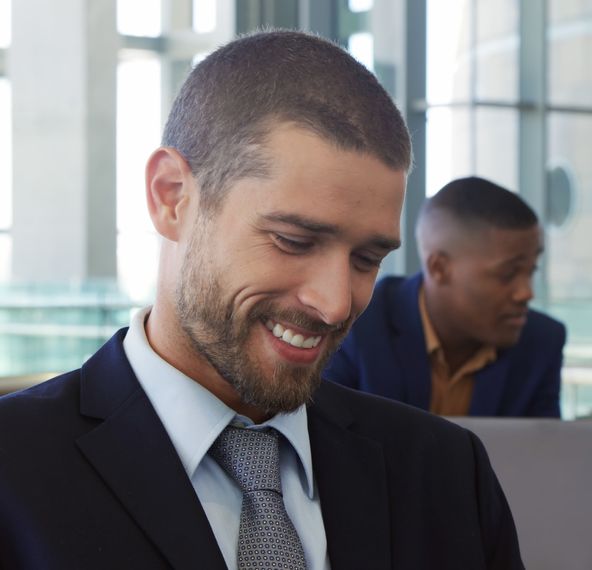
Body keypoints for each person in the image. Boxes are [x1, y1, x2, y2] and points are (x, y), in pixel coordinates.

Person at [0, 31, 522, 569]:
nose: (335, 303)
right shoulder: (14, 474)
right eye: (293, 241)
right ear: (171, 197)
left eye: (367, 259)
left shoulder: (447, 474)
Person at [324, 176, 566, 417]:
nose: (526, 292)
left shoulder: (542, 341)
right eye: (508, 274)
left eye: (531, 270)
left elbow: (543, 451)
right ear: (440, 268)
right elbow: (327, 441)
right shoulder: (360, 325)